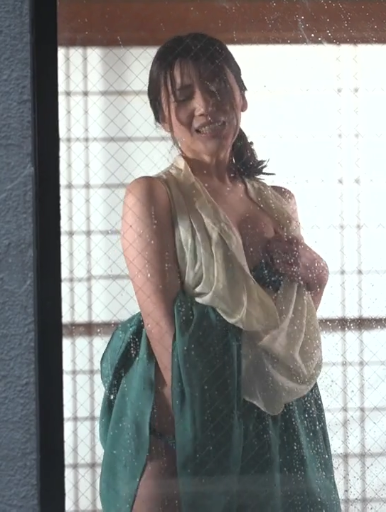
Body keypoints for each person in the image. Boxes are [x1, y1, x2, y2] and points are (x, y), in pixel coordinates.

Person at [98, 33, 342, 511]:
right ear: (162, 117)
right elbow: (163, 327)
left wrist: (317, 274)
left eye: (216, 86)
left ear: (241, 97)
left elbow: (287, 331)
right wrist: (208, 442)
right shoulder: (151, 196)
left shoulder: (278, 203)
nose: (205, 104)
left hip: (268, 414)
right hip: (181, 416)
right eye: (183, 95)